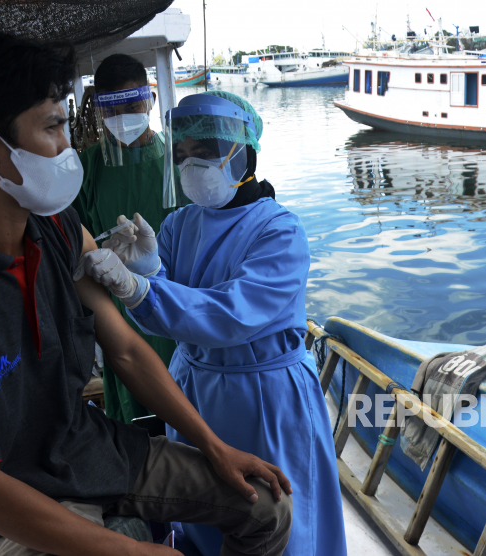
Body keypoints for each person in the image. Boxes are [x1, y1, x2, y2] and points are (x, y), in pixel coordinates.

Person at [0, 25, 293, 556]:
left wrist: (213, 447)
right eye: (53, 127)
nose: (68, 146)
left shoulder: (55, 228)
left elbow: (122, 348)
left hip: (82, 449)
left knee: (265, 505)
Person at [77, 91, 347, 555]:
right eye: (181, 156)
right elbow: (175, 314)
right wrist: (150, 271)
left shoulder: (279, 230)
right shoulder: (181, 223)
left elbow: (231, 315)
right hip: (196, 390)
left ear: (242, 153)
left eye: (204, 153)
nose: (190, 165)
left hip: (264, 394)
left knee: (276, 507)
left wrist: (141, 289)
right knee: (202, 510)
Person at [72, 54, 180, 425]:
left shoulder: (177, 162)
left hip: (180, 307)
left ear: (150, 99)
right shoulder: (85, 170)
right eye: (112, 109)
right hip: (118, 313)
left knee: (185, 396)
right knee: (137, 415)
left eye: (133, 104)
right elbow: (76, 248)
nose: (125, 117)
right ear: (98, 109)